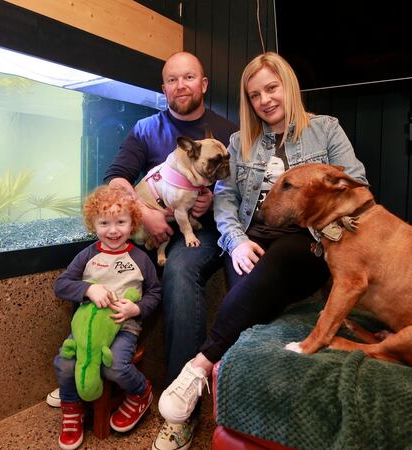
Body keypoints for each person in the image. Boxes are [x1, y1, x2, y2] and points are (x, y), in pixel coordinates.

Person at [157, 52, 368, 425]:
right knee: (251, 304)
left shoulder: (327, 129)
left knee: (282, 258)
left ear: (288, 86)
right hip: (251, 237)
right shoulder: (240, 141)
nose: (265, 100)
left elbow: (358, 186)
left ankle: (199, 366)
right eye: (255, 95)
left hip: (309, 239)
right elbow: (224, 197)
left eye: (272, 88)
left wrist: (320, 218)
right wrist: (236, 240)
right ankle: (244, 412)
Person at [103, 51, 238, 449]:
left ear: (204, 84)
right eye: (173, 80)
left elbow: (244, 190)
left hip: (208, 231)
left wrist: (212, 200)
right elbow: (116, 179)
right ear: (163, 88)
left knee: (178, 270)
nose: (181, 86)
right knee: (102, 261)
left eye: (189, 78)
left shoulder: (226, 132)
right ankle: (88, 373)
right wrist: (145, 213)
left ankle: (182, 408)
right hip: (156, 224)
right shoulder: (146, 128)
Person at [52, 185, 162, 450]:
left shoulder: (140, 259)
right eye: (104, 223)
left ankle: (140, 393)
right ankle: (71, 409)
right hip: (86, 328)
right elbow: (61, 284)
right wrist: (88, 289)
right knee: (63, 364)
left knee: (115, 368)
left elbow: (155, 293)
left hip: (123, 326)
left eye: (121, 222)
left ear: (133, 222)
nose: (113, 230)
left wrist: (136, 309)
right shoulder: (88, 255)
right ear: (93, 224)